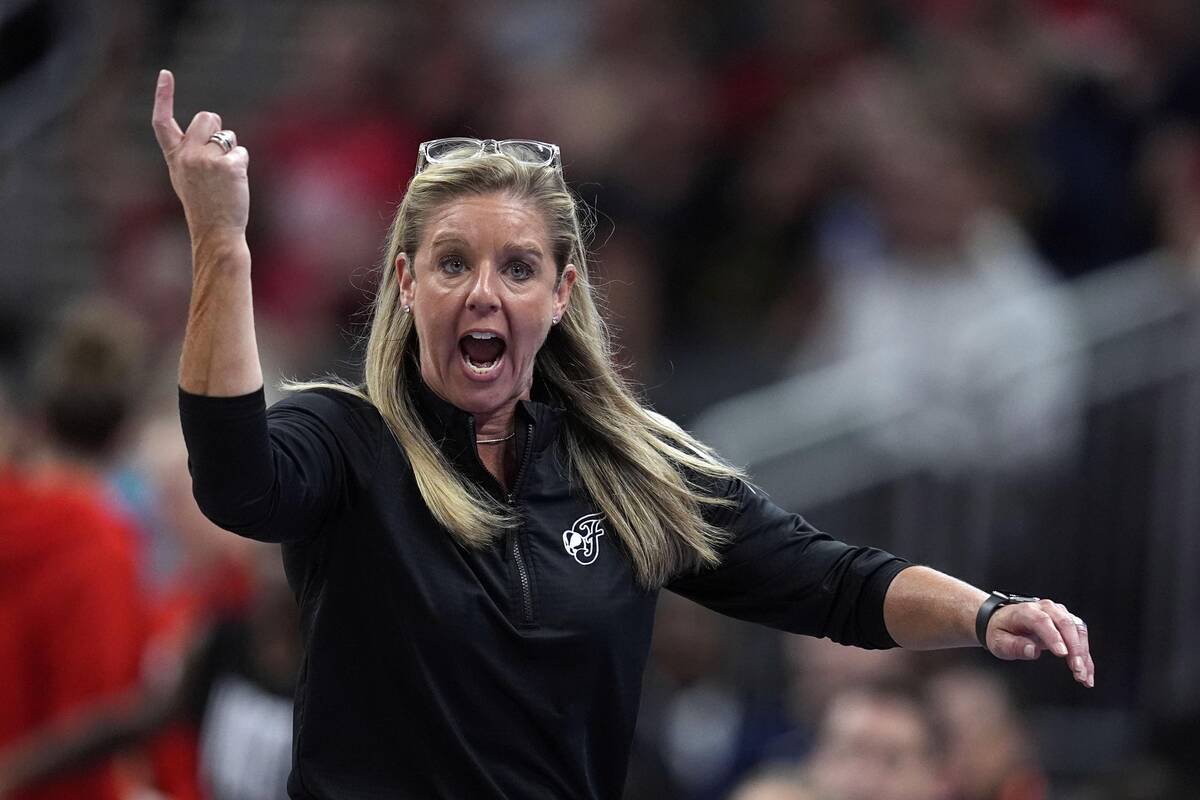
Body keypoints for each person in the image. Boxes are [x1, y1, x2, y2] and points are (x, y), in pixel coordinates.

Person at [151, 69, 1095, 800]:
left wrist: (984, 612)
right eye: (451, 263)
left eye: (517, 267)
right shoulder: (346, 438)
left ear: (560, 295)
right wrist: (221, 246)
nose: (483, 290)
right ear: (406, 283)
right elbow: (235, 480)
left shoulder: (627, 469)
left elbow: (834, 582)